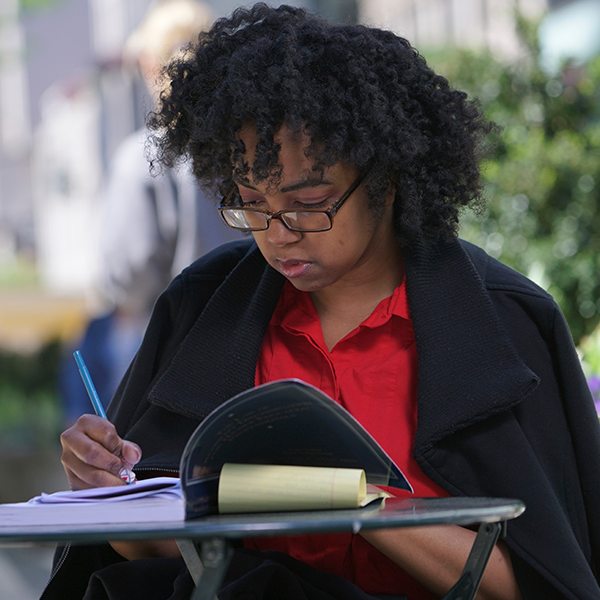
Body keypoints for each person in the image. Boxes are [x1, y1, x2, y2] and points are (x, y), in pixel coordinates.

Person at [45, 4, 600, 600]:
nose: (277, 232)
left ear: (386, 179)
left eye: (309, 201)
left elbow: (548, 582)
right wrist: (105, 487)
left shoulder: (505, 323)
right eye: (251, 202)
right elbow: (152, 554)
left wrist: (356, 498)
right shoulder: (201, 308)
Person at [59, 0, 240, 425]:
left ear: (146, 63)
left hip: (169, 338)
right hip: (249, 323)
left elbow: (126, 276)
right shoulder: (249, 145)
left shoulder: (144, 155)